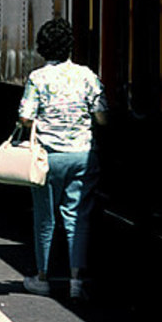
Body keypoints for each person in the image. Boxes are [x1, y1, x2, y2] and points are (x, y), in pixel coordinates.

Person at [17, 17, 107, 299]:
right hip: (82, 154)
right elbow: (102, 117)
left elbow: (25, 117)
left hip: (48, 157)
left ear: (42, 47)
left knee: (45, 218)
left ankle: (42, 277)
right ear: (70, 46)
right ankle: (76, 281)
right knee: (77, 217)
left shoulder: (38, 78)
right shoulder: (87, 75)